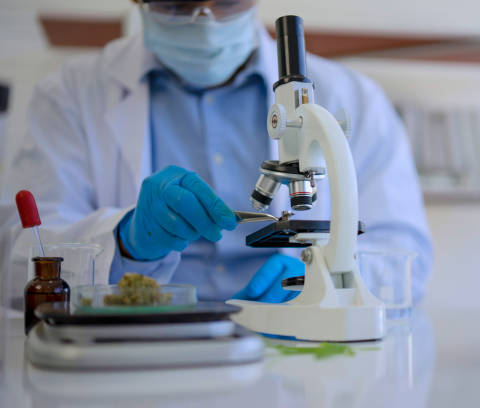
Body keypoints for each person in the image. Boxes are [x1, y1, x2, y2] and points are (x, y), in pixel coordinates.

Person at [0, 0, 432, 304]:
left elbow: (404, 254)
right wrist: (122, 241)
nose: (205, 19)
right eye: (177, 3)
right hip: (141, 345)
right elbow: (20, 254)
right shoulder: (70, 96)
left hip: (293, 353)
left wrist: (324, 281)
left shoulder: (351, 97)